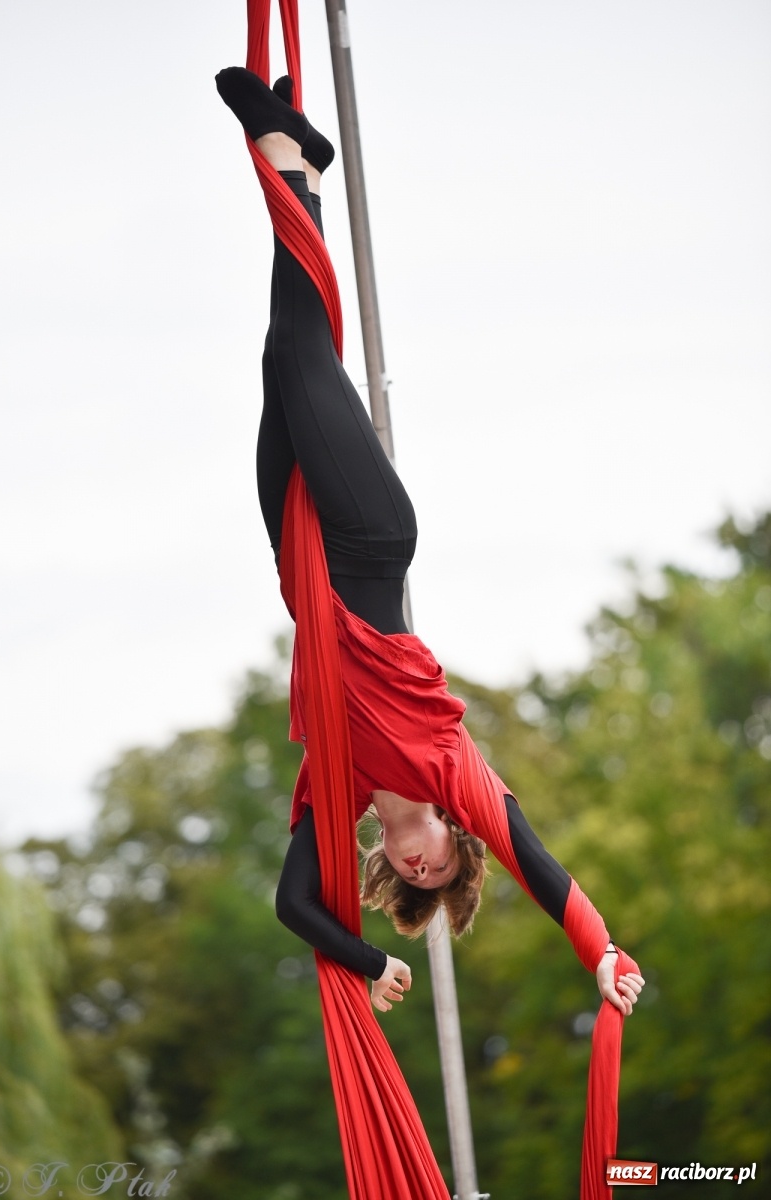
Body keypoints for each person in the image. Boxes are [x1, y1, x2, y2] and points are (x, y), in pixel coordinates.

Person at [215, 67, 644, 1017]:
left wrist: (369, 962)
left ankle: (304, 174)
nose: (419, 867)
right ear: (455, 833)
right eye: (440, 868)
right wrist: (601, 951)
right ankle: (283, 153)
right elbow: (541, 867)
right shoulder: (451, 768)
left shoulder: (338, 787)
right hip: (366, 539)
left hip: (299, 558)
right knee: (301, 356)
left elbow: (294, 904)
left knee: (283, 354)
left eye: (411, 878)